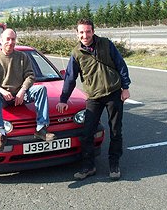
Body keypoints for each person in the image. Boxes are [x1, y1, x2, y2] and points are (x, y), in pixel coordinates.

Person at [56, 18, 131, 181]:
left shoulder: (106, 44)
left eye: (88, 31)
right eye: (81, 32)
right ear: (77, 34)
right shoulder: (76, 53)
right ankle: (88, 166)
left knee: (115, 130)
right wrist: (63, 99)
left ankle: (114, 163)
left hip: (113, 92)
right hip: (93, 97)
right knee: (87, 132)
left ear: (93, 31)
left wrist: (125, 88)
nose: (85, 35)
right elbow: (70, 77)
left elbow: (121, 65)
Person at [0, 28, 56, 152]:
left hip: (22, 94)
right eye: (7, 39)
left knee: (41, 89)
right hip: (3, 97)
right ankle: (1, 134)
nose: (10, 42)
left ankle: (41, 129)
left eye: (13, 39)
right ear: (1, 40)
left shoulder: (22, 57)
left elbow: (30, 76)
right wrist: (2, 91)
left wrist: (22, 90)